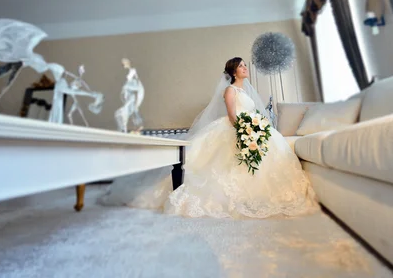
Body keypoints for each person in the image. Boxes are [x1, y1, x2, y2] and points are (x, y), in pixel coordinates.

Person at [101, 57, 319, 219]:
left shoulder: (248, 93)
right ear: (234, 71)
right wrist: (247, 130)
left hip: (252, 128)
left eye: (245, 65)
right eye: (242, 65)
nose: (245, 68)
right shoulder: (230, 91)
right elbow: (233, 116)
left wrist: (258, 128)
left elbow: (253, 113)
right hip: (238, 128)